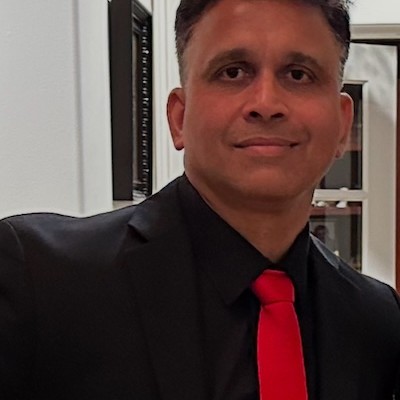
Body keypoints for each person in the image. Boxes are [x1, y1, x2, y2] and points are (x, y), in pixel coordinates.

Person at [1, 0, 400, 399]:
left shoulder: (376, 320)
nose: (266, 104)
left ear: (342, 124)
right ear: (179, 118)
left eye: (299, 74)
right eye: (233, 72)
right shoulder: (39, 280)